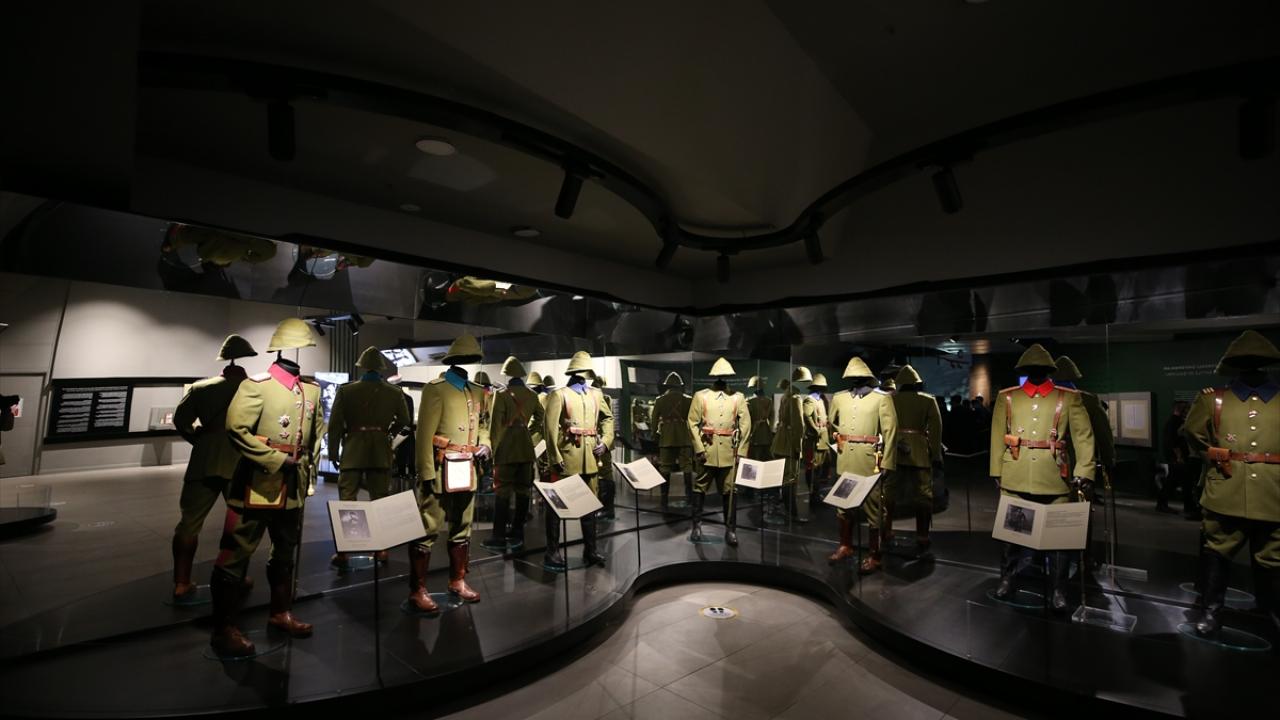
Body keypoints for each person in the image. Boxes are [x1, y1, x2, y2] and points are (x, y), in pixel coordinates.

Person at [209, 319, 324, 657]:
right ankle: (223, 629)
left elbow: (316, 437)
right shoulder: (256, 386)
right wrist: (274, 459)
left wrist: (308, 475)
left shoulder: (311, 390)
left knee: (285, 552)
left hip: (293, 486)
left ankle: (280, 612)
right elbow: (236, 429)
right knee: (235, 554)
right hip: (255, 484)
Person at [1181, 330, 1280, 637]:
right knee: (1217, 550)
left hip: (1273, 493)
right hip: (1226, 489)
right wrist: (1214, 456)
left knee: (1273, 557)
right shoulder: (1213, 399)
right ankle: (1211, 610)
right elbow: (1193, 432)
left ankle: (1271, 611)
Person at [989, 344, 1095, 613]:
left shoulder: (1068, 398)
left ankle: (1059, 589)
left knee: (1058, 538)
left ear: (1049, 370)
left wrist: (1084, 470)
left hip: (1054, 477)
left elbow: (1083, 436)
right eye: (1031, 369)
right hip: (1017, 473)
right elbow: (997, 435)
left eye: (1040, 369)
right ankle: (1007, 578)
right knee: (1011, 535)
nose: (1036, 372)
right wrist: (997, 470)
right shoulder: (1007, 397)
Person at [170, 334, 257, 603]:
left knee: (189, 523)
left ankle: (181, 583)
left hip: (204, 459)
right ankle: (235, 576)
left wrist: (199, 440)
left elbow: (181, 421)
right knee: (241, 524)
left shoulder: (200, 388)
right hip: (241, 458)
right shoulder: (255, 388)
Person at [408, 335, 491, 612]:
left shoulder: (477, 391)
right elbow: (424, 435)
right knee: (427, 529)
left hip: (468, 469)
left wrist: (486, 444)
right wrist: (425, 473)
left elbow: (484, 425)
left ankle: (457, 580)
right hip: (440, 469)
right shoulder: (436, 390)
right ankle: (418, 589)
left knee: (463, 527)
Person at [327, 346, 410, 569]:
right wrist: (387, 435)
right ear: (381, 368)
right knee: (380, 500)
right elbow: (404, 421)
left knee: (347, 501)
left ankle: (345, 551)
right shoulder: (394, 392)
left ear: (362, 367)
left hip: (352, 449)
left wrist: (333, 452)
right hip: (380, 451)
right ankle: (381, 549)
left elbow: (335, 425)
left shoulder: (346, 391)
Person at [543, 351, 614, 570]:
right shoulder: (559, 395)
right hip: (566, 459)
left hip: (590, 458)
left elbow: (608, 418)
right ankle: (552, 551)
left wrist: (606, 441)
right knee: (556, 507)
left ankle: (590, 550)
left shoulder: (596, 395)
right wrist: (555, 456)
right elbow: (549, 428)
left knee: (589, 506)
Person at [827, 358, 898, 571]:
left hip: (869, 462)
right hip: (845, 460)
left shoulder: (881, 399)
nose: (856, 379)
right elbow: (831, 423)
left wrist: (887, 462)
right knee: (843, 507)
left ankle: (875, 555)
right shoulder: (839, 398)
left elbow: (890, 432)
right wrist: (840, 438)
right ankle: (845, 545)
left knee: (874, 510)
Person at [687, 357, 751, 546]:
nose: (722, 379)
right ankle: (696, 526)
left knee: (730, 492)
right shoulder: (701, 396)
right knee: (699, 489)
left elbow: (746, 424)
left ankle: (730, 529)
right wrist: (699, 448)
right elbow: (691, 423)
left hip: (729, 453)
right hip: (706, 452)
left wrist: (741, 451)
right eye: (719, 376)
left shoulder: (738, 397)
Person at [485, 356, 543, 551]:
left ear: (507, 374)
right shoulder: (532, 395)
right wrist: (528, 432)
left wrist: (493, 450)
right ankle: (518, 533)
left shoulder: (501, 395)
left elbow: (495, 426)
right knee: (523, 491)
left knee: (502, 492)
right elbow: (541, 417)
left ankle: (499, 536)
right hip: (526, 449)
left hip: (506, 449)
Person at [892, 365, 944, 559]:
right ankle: (922, 536)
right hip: (920, 452)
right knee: (923, 496)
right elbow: (936, 431)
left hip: (895, 452)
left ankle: (886, 531)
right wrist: (936, 455)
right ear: (916, 383)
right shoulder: (928, 400)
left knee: (888, 495)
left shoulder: (889, 400)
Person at [653, 372, 694, 510]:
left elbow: (654, 421)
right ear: (680, 386)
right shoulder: (688, 400)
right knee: (687, 467)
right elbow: (694, 420)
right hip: (684, 437)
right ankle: (689, 498)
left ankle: (664, 500)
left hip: (666, 438)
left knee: (665, 468)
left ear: (667, 386)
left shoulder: (660, 400)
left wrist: (654, 435)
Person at [1161, 400, 1199, 518]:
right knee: (1178, 482)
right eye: (1186, 409)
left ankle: (1187, 506)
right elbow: (1173, 441)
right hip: (1178, 458)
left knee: (1179, 481)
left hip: (1177, 457)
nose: (1188, 411)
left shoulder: (1174, 421)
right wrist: (1179, 456)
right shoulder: (1175, 422)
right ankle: (1186, 506)